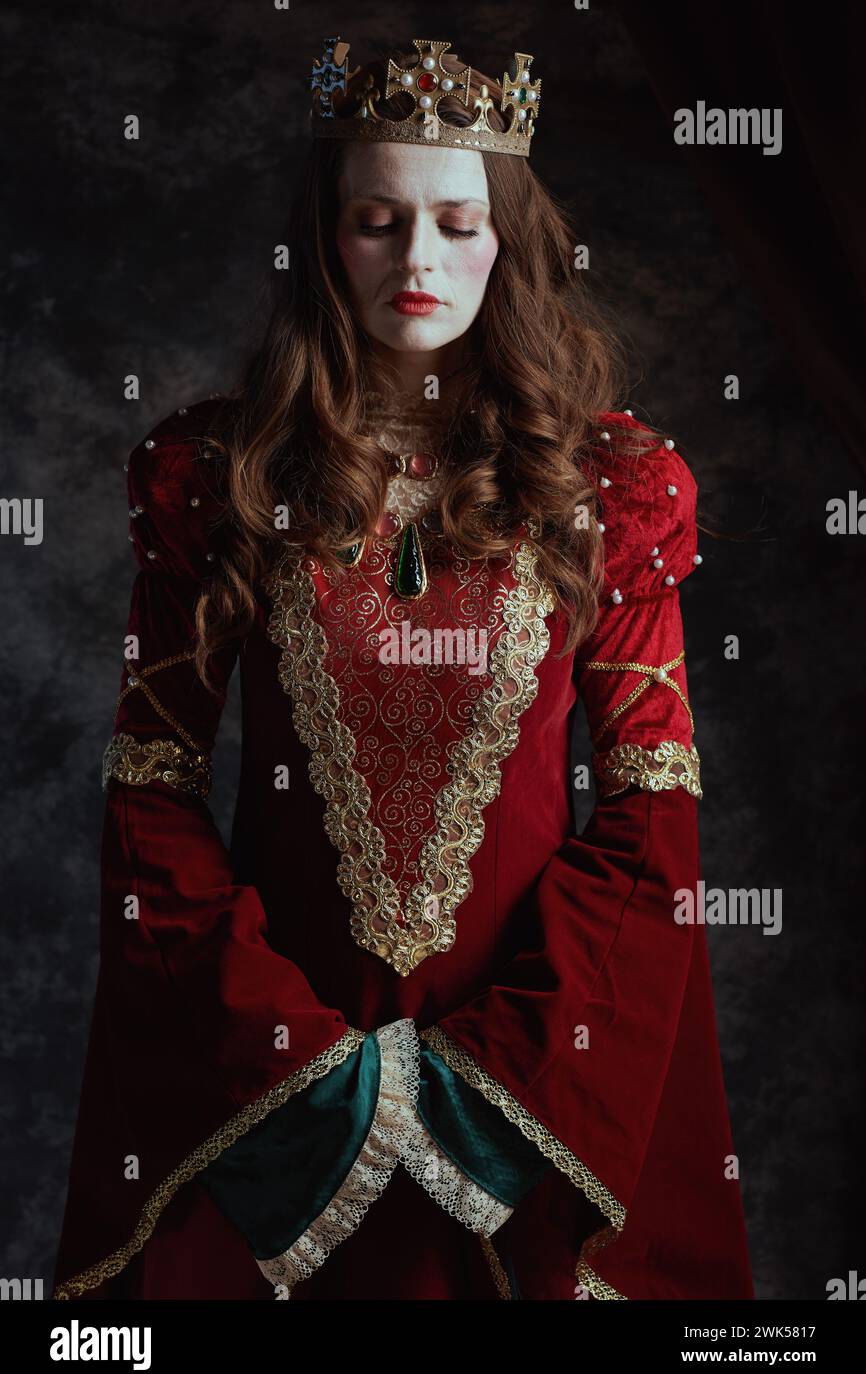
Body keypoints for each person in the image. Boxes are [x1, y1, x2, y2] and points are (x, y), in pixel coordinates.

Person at [53, 35, 753, 1301]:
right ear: (325, 236)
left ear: (507, 237)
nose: (418, 260)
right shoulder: (219, 478)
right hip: (276, 1084)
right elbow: (151, 786)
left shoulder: (607, 491)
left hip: (527, 1085)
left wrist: (499, 1068)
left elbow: (652, 812)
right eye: (379, 221)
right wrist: (299, 1063)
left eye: (453, 222)